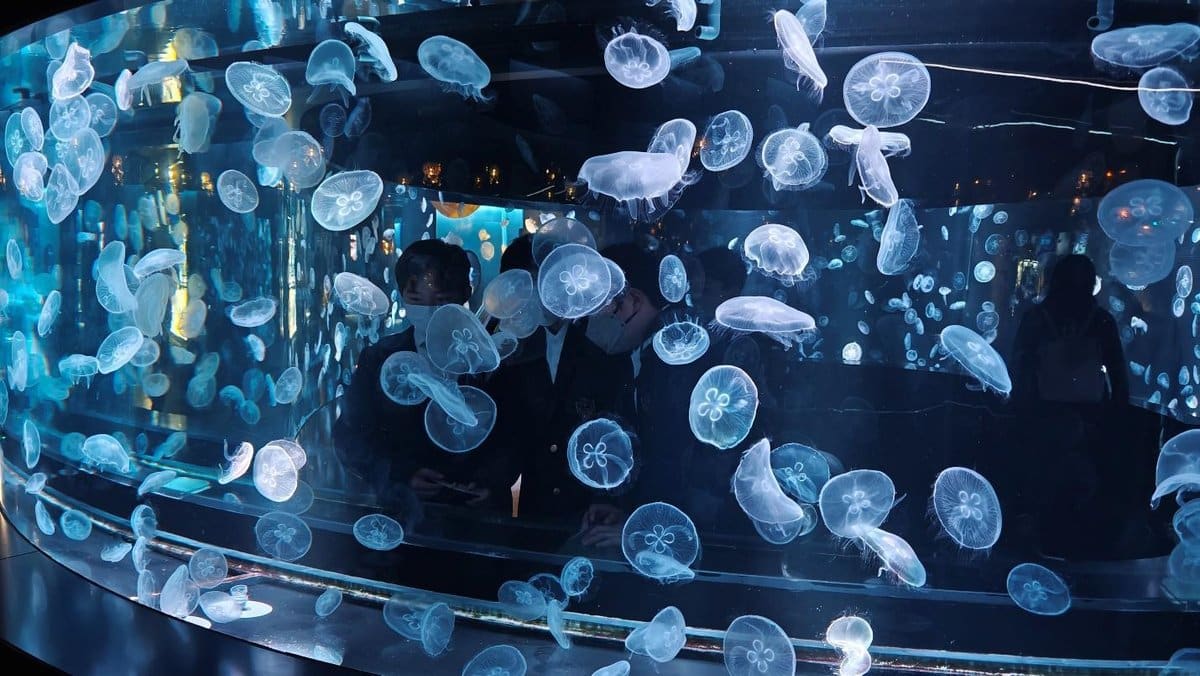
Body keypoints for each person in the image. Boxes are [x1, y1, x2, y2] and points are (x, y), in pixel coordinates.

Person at [484, 240, 665, 544]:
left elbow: (627, 424)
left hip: (595, 516)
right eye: (519, 289)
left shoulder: (605, 336)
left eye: (538, 285)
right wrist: (487, 482)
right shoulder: (506, 347)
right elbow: (504, 429)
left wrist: (612, 500)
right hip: (530, 516)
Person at [334, 239, 503, 508]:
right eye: (418, 300)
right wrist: (399, 474)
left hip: (476, 515)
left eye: (444, 300)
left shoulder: (495, 361)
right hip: (401, 512)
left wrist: (492, 480)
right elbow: (349, 435)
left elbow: (515, 434)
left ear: (466, 294)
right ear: (402, 295)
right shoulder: (378, 358)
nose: (432, 310)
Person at [1009, 254, 1140, 557]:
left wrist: (1021, 408)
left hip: (1052, 412)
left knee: (1053, 480)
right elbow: (1117, 373)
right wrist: (1117, 413)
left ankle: (1052, 543)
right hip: (1085, 413)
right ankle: (1069, 545)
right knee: (1073, 482)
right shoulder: (1100, 320)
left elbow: (1020, 366)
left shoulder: (1038, 318)